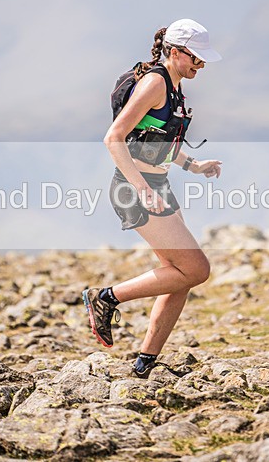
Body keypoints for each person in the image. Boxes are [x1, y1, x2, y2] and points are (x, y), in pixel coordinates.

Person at [83, 19, 222, 378]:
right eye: (196, 59)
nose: (200, 66)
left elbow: (155, 143)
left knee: (181, 275)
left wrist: (194, 165)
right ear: (175, 52)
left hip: (157, 186)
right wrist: (142, 188)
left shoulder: (174, 87)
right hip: (136, 188)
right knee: (196, 269)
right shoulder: (155, 83)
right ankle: (106, 297)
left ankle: (145, 364)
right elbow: (114, 138)